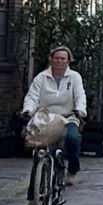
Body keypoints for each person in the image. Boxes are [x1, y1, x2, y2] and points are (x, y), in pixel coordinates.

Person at [23, 45, 88, 185]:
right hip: (46, 118)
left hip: (68, 117)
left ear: (68, 61)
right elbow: (32, 96)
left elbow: (80, 96)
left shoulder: (74, 77)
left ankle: (72, 170)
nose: (59, 61)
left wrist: (80, 110)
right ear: (51, 60)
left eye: (63, 59)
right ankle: (38, 176)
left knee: (72, 138)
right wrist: (28, 109)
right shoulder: (41, 78)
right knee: (37, 144)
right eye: (56, 58)